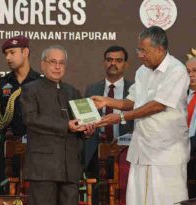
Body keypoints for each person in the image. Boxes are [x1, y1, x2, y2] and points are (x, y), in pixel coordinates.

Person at [93, 26, 190, 205]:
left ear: (160, 49)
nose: (140, 55)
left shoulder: (176, 70)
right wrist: (107, 101)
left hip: (166, 153)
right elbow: (132, 101)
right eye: (139, 50)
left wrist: (122, 117)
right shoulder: (142, 71)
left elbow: (157, 105)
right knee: (138, 200)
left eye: (143, 50)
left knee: (166, 200)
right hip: (141, 149)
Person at [20, 45, 95, 205]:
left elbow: (81, 122)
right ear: (43, 64)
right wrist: (66, 125)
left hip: (70, 167)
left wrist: (87, 130)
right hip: (44, 168)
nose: (57, 66)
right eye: (53, 62)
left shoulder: (72, 91)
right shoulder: (30, 90)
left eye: (61, 63)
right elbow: (30, 118)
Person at [84, 45, 134, 204]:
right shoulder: (92, 88)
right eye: (109, 60)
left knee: (124, 196)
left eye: (118, 60)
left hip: (125, 153)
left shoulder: (134, 89)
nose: (113, 63)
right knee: (98, 198)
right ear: (104, 63)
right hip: (96, 153)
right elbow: (86, 120)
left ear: (126, 64)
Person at [0, 35, 41, 195]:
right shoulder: (0, 83)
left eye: (12, 52)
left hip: (34, 147)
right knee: (3, 195)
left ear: (25, 52)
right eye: (6, 54)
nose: (8, 57)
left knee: (33, 195)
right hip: (6, 147)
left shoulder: (41, 82)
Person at [186, 56, 196, 199]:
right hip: (180, 159)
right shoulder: (180, 97)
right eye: (187, 71)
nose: (191, 74)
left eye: (195, 70)